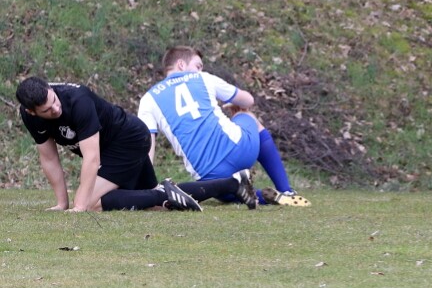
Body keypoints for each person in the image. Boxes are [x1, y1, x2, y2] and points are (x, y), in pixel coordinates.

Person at [15, 77, 256, 212]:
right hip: (113, 149)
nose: (55, 109)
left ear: (51, 89)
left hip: (128, 140)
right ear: (31, 111)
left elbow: (92, 158)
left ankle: (164, 193)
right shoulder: (29, 116)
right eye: (47, 110)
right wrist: (62, 204)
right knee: (154, 204)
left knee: (90, 203)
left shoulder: (78, 100)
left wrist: (78, 207)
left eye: (54, 101)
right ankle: (233, 183)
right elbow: (49, 158)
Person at [138, 46, 310, 207]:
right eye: (198, 66)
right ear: (181, 64)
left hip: (210, 175)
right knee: (247, 115)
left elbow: (146, 146)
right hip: (240, 150)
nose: (200, 70)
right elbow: (248, 100)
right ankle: (286, 190)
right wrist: (237, 108)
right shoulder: (203, 78)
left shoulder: (148, 99)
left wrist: (148, 188)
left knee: (221, 192)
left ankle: (258, 194)